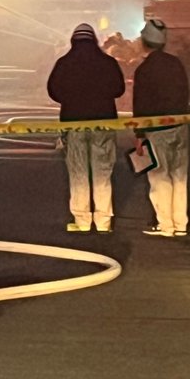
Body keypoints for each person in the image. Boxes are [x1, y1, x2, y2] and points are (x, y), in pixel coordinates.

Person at [48, 23, 125, 233]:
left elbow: (53, 90)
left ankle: (81, 220)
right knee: (102, 171)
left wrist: (71, 98)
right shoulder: (108, 63)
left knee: (78, 171)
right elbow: (119, 89)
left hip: (74, 123)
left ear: (74, 40)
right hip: (103, 122)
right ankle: (103, 221)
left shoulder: (64, 63)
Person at [131, 18, 190, 237]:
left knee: (160, 176)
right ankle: (180, 223)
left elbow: (140, 104)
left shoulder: (144, 70)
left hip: (156, 130)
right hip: (181, 126)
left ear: (145, 42)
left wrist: (139, 134)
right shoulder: (176, 64)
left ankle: (165, 224)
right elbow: (186, 93)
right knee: (180, 175)